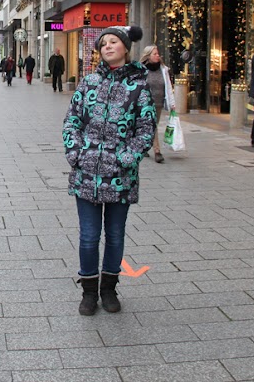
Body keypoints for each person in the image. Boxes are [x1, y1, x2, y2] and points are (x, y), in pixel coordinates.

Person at [63, 25, 154, 316]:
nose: (108, 46)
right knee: (89, 236)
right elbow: (71, 122)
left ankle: (109, 289)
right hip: (86, 173)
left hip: (120, 175)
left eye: (114, 41)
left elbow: (146, 128)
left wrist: (127, 158)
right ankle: (89, 292)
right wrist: (76, 153)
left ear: (126, 47)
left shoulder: (140, 86)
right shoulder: (88, 82)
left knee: (115, 234)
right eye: (103, 43)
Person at [140, 45, 175, 163]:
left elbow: (168, 86)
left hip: (159, 103)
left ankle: (144, 146)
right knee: (152, 126)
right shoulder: (142, 69)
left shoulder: (163, 69)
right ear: (148, 56)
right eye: (154, 54)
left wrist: (172, 103)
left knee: (151, 126)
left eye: (158, 53)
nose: (157, 56)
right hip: (145, 103)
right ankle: (157, 151)